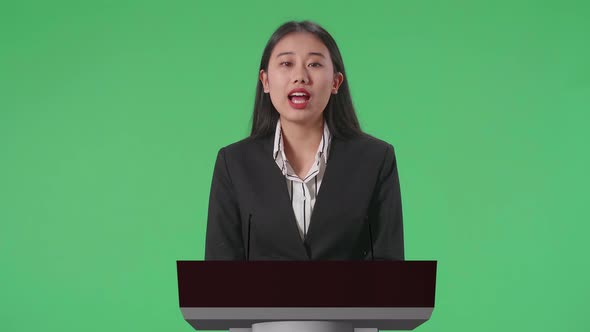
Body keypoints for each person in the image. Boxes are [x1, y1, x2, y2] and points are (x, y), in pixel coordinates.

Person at [204, 21, 404, 261]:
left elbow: (391, 275)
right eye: (286, 64)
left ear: (335, 82)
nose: (300, 76)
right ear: (265, 81)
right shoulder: (233, 163)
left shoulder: (376, 159)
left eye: (314, 64)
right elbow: (219, 281)